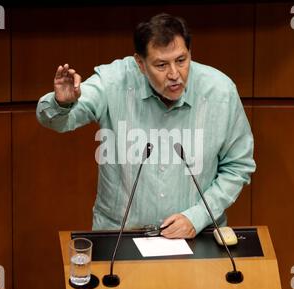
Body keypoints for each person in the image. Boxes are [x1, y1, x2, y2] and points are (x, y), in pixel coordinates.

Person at [36, 13, 256, 239]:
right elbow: (60, 121)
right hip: (121, 238)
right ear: (140, 63)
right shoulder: (113, 81)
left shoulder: (220, 91)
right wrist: (62, 103)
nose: (174, 75)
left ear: (190, 53)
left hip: (196, 235)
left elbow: (238, 166)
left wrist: (197, 216)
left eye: (181, 60)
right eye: (161, 65)